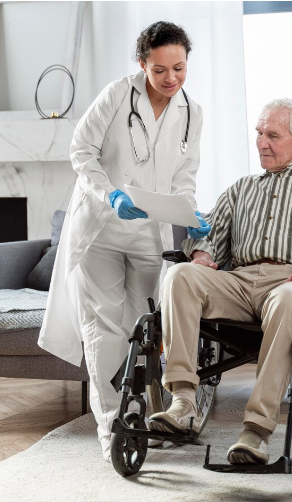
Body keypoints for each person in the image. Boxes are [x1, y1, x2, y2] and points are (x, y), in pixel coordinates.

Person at [147, 98, 292, 464]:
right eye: (258, 133)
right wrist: (202, 252)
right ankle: (183, 402)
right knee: (181, 275)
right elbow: (208, 230)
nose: (261, 143)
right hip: (239, 280)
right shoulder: (242, 188)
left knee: (286, 301)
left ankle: (256, 431)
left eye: (272, 135)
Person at [38, 21, 210, 462]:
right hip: (99, 226)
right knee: (104, 329)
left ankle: (145, 412)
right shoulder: (117, 95)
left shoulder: (192, 112)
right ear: (142, 64)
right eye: (159, 70)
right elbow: (81, 151)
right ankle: (111, 425)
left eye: (179, 68)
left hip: (147, 230)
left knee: (145, 327)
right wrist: (109, 193)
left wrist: (190, 217)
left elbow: (184, 177)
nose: (170, 79)